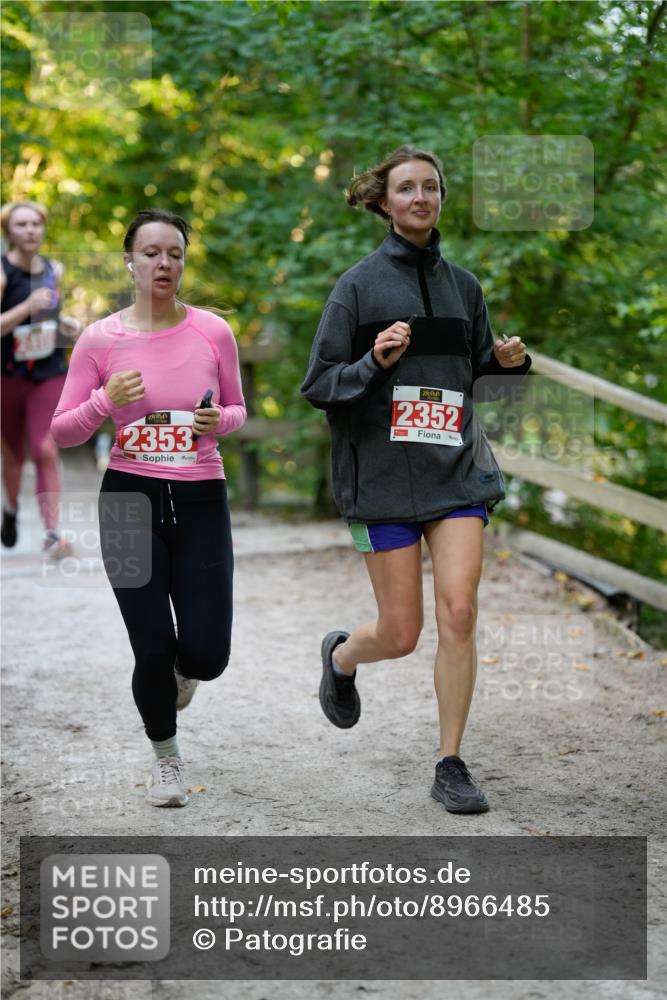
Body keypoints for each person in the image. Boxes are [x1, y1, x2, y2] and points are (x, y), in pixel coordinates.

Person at [301, 145, 531, 814]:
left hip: (455, 472)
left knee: (458, 612)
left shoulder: (463, 287)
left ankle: (450, 762)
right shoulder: (357, 287)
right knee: (399, 634)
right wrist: (373, 361)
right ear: (382, 201)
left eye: (430, 187)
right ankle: (343, 658)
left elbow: (482, 386)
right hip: (379, 479)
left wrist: (506, 363)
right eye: (406, 188)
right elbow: (319, 386)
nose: (420, 197)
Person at [51, 209, 246, 807]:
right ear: (129, 262)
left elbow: (238, 409)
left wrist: (221, 421)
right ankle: (166, 759)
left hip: (201, 497)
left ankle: (185, 678)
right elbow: (63, 432)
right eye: (152, 253)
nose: (165, 264)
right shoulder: (100, 339)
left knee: (207, 654)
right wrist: (103, 400)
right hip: (128, 503)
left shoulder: (213, 332)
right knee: (152, 643)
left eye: (175, 254)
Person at [1, 201, 81, 557]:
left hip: (49, 372)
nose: (31, 230)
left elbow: (53, 318)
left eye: (36, 223)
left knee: (46, 449)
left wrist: (68, 326)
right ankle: (12, 509)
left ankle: (52, 534)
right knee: (13, 456)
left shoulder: (54, 269)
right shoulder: (3, 274)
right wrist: (25, 307)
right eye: (22, 224)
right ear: (8, 231)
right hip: (8, 376)